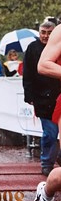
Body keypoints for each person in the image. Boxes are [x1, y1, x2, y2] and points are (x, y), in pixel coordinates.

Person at [23, 20, 60, 176]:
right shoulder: (32, 48)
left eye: (48, 33)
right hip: (42, 98)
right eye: (43, 32)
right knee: (50, 133)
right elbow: (28, 74)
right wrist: (29, 95)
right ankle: (47, 162)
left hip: (57, 95)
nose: (45, 36)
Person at [37, 21, 61, 167]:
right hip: (45, 96)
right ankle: (46, 189)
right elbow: (43, 65)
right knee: (49, 134)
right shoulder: (59, 32)